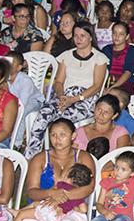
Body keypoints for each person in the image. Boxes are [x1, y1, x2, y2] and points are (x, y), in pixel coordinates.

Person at [25, 21, 108, 157]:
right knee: (44, 114)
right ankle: (32, 155)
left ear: (90, 38)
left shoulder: (99, 58)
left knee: (62, 120)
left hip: (85, 98)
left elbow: (97, 86)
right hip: (65, 95)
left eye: (83, 36)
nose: (78, 39)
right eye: (76, 36)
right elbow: (59, 81)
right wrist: (62, 96)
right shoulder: (66, 56)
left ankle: (58, 155)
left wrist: (74, 99)